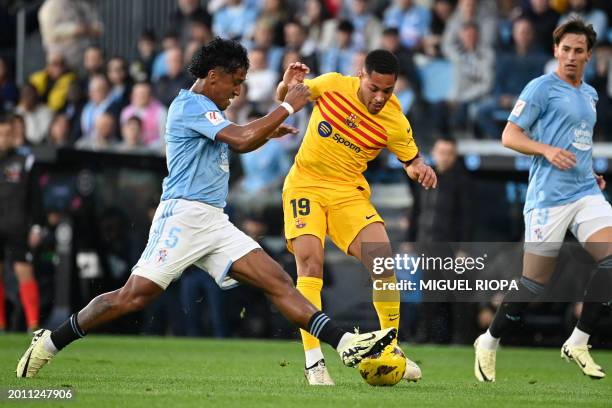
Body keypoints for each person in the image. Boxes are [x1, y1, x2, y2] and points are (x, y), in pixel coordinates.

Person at [16, 37, 396, 379]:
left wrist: (268, 128)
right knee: (133, 296)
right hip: (181, 216)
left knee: (278, 281)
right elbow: (243, 137)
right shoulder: (189, 106)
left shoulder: (207, 109)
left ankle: (346, 343)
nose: (237, 90)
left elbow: (243, 140)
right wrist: (284, 108)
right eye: (235, 81)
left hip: (213, 220)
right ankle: (51, 341)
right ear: (214, 76)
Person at [275, 49, 437, 385]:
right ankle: (314, 362)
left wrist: (419, 168)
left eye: (387, 91)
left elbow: (411, 159)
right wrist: (286, 85)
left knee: (383, 264)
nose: (379, 97)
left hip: (348, 191)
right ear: (361, 76)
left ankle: (391, 349)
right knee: (310, 264)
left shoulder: (394, 118)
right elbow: (288, 97)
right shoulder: (333, 85)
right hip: (305, 184)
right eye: (374, 88)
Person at [473, 19, 612, 382]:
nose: (570, 56)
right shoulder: (540, 88)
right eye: (564, 49)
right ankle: (488, 341)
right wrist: (546, 150)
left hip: (584, 192)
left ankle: (579, 341)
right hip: (548, 198)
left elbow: (578, 140)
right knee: (533, 284)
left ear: (588, 55)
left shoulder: (590, 94)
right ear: (555, 51)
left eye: (578, 51)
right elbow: (509, 134)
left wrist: (590, 170)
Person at [0, 114, 40, 332]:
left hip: (17, 225)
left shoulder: (24, 162)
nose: (4, 138)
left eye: (8, 134)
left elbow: (36, 197)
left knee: (24, 271)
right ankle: (1, 324)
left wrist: (36, 226)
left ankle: (33, 324)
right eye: (1, 134)